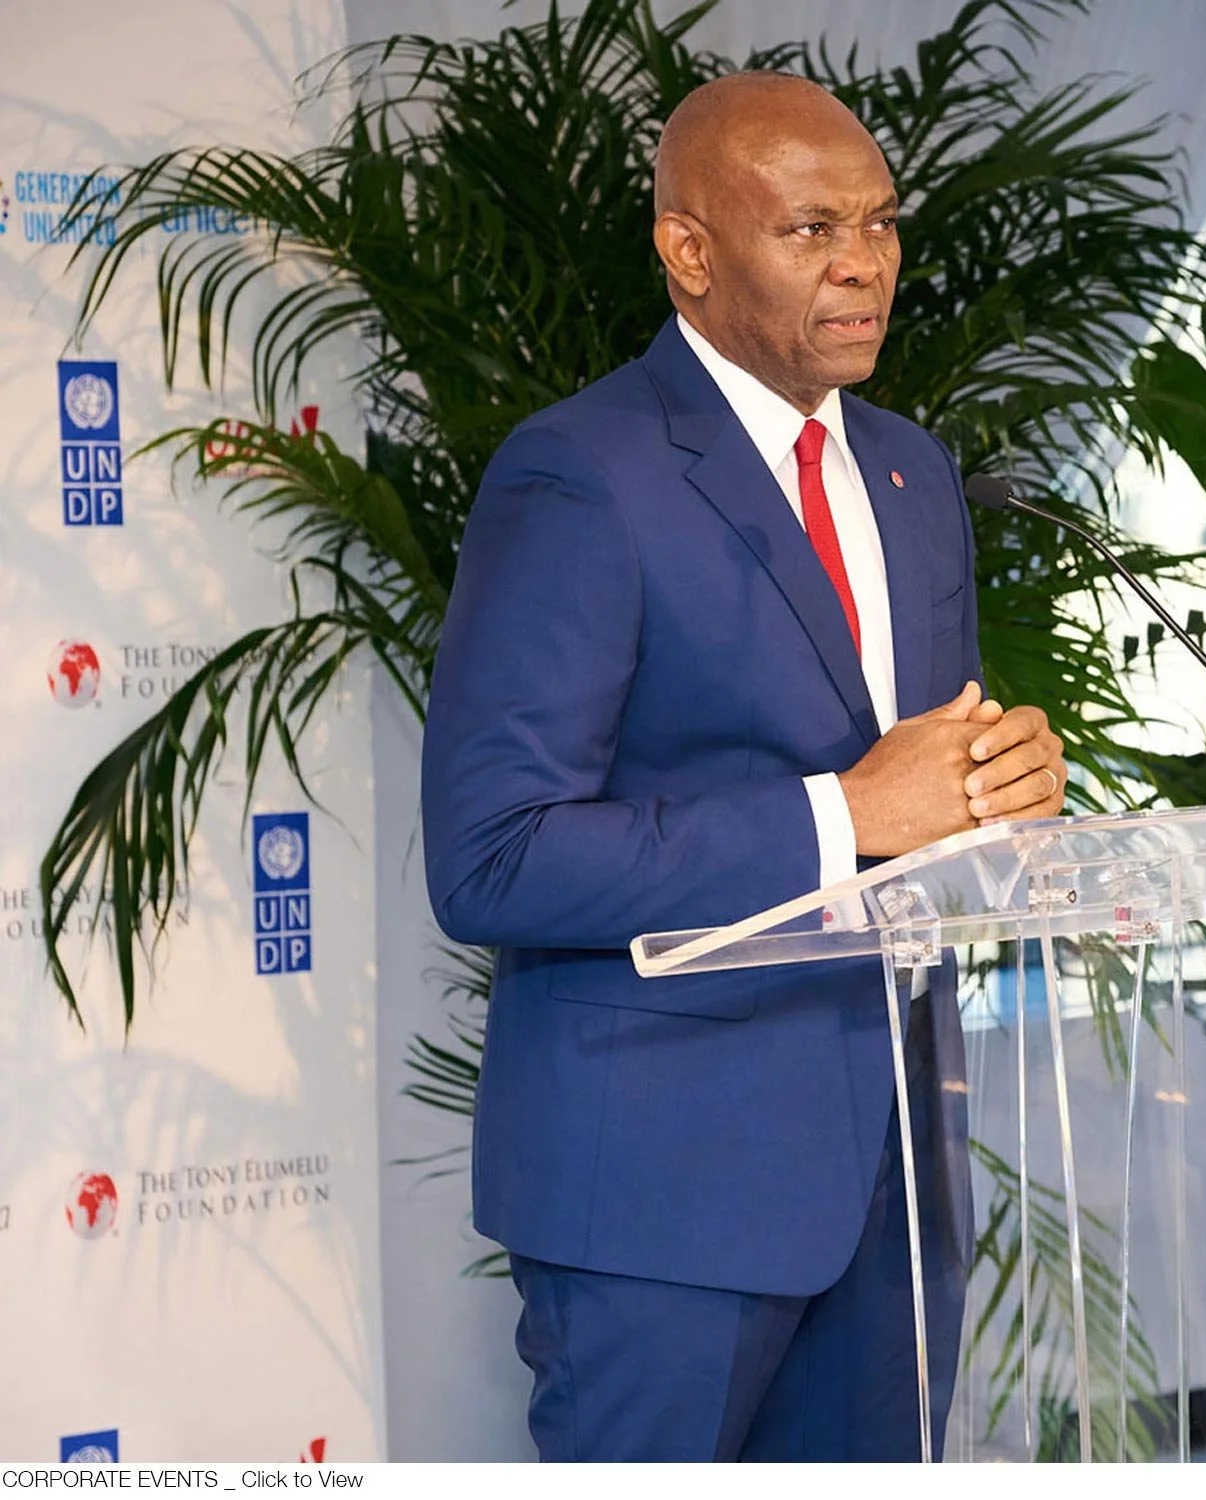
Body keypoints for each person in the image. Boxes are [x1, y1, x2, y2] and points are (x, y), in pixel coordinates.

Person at [419, 71, 1067, 1462]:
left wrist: (993, 783)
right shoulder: (579, 477)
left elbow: (916, 779)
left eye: (882, 224)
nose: (863, 263)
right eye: (811, 228)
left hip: (893, 1185)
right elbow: (493, 856)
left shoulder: (910, 472)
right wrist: (848, 812)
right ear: (690, 252)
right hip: (665, 1198)